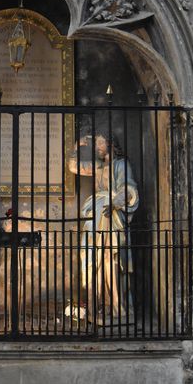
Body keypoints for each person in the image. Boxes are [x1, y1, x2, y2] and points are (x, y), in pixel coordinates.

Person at [68, 134, 139, 321]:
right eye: (96, 144)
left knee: (111, 258)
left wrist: (116, 202)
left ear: (111, 144)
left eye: (100, 143)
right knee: (94, 257)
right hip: (96, 212)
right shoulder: (98, 166)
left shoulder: (121, 165)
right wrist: (76, 146)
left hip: (111, 213)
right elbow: (73, 166)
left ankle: (116, 306)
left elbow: (128, 187)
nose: (97, 147)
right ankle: (100, 304)